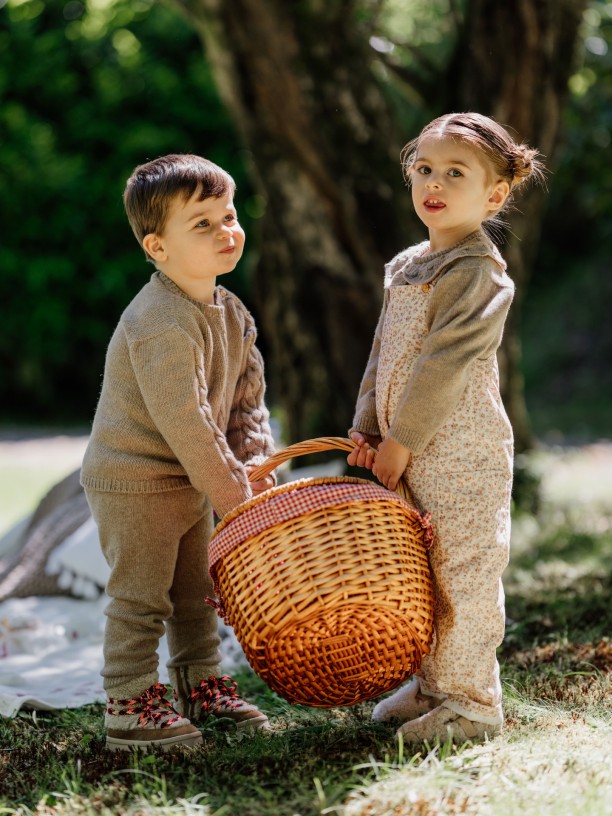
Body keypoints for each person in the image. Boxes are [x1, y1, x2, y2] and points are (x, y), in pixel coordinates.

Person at [347, 113, 545, 744]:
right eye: (423, 170)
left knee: (463, 569)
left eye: (454, 174)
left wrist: (402, 440)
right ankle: (434, 684)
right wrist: (369, 426)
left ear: (493, 195)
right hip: (407, 448)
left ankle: (474, 702)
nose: (433, 184)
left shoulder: (478, 272)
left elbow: (444, 363)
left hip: (459, 449)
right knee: (421, 570)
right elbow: (384, 351)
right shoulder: (408, 263)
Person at [80, 154, 277, 751]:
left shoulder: (232, 314)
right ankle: (130, 700)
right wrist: (234, 498)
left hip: (190, 480)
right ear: (157, 246)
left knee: (196, 594)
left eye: (229, 215)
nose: (227, 232)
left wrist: (257, 470)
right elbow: (187, 422)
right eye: (203, 223)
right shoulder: (160, 320)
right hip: (135, 478)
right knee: (141, 597)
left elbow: (246, 404)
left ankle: (201, 684)